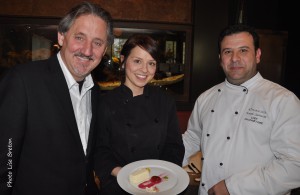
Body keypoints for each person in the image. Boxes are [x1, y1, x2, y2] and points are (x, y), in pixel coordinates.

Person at [0, 2, 114, 195]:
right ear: (61, 37)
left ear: (104, 51)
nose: (87, 51)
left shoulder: (94, 91)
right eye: (79, 37)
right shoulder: (23, 80)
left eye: (97, 43)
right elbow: (5, 158)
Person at [182, 24, 300, 195]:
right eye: (228, 51)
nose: (235, 58)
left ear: (258, 55)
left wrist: (233, 187)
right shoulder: (206, 97)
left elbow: (295, 164)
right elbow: (193, 138)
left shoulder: (282, 100)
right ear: (220, 58)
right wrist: (162, 163)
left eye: (243, 50)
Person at [94, 34, 185, 194]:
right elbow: (100, 150)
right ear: (123, 60)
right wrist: (122, 174)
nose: (144, 70)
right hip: (118, 185)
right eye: (137, 61)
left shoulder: (165, 101)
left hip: (158, 187)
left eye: (151, 63)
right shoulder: (106, 103)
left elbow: (174, 146)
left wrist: (161, 177)